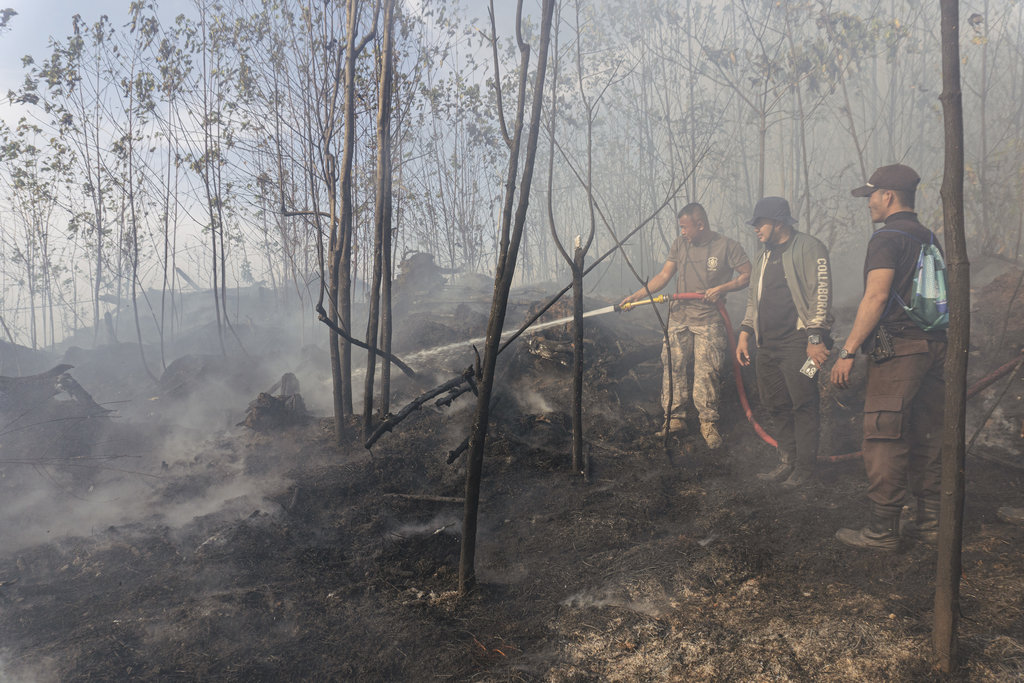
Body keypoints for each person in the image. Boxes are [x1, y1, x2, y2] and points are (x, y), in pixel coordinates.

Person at [832, 163, 946, 551]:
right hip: (935, 348)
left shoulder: (887, 238)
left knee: (884, 434)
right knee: (928, 433)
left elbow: (876, 296)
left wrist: (847, 351)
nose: (869, 204)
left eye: (871, 196)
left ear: (888, 196)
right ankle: (932, 523)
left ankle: (882, 530)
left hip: (897, 352)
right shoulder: (930, 238)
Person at [620, 203, 751, 449]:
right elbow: (663, 276)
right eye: (680, 227)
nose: (681, 232)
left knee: (707, 372)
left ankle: (708, 423)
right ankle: (674, 419)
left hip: (709, 320)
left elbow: (747, 275)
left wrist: (721, 289)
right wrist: (636, 297)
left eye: (684, 227)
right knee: (673, 367)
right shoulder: (680, 245)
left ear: (700, 225)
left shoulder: (727, 246)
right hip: (679, 318)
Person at [736, 197, 833, 489]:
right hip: (767, 345)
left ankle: (805, 469)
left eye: (760, 223)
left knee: (804, 403)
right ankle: (786, 461)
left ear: (778, 223)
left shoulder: (809, 247)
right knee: (775, 403)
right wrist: (745, 333)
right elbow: (753, 298)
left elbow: (821, 295)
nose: (755, 229)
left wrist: (815, 340)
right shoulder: (763, 255)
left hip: (800, 344)